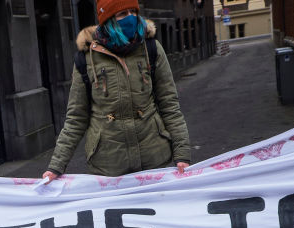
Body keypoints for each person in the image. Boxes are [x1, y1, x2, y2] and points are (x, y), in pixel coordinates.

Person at [42, 0, 191, 182]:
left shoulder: (151, 48)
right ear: (108, 19)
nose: (130, 17)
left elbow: (170, 105)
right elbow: (76, 118)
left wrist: (182, 154)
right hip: (108, 167)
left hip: (154, 160)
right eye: (122, 14)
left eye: (133, 11)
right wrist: (56, 166)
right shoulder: (86, 58)